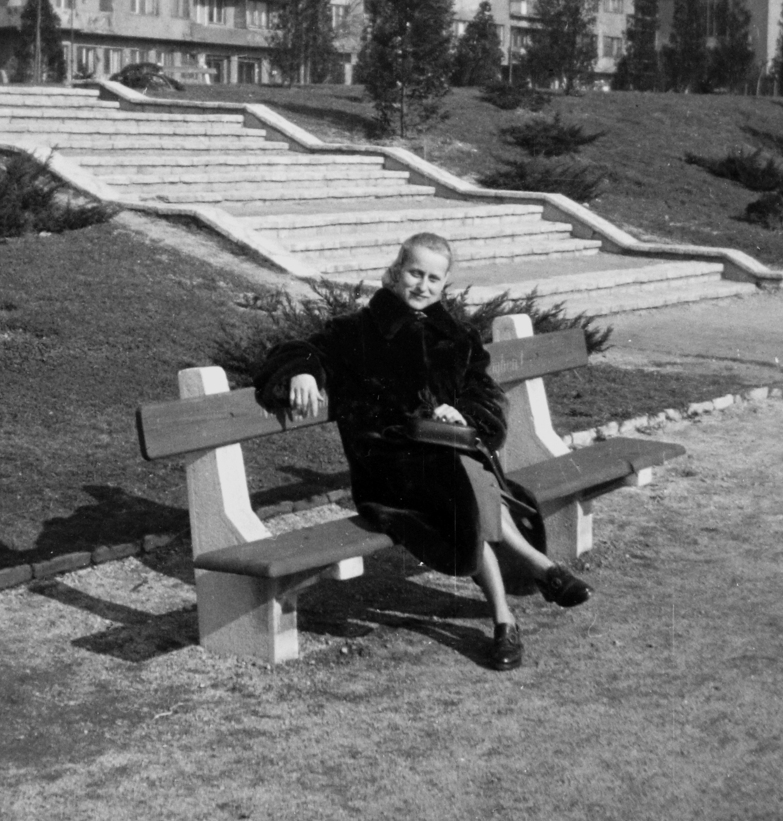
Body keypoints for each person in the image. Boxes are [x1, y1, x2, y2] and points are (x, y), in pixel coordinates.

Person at [253, 232, 591, 672]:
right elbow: (297, 350)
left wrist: (463, 411)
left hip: (450, 455)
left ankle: (505, 619)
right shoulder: (356, 330)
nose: (422, 285)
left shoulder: (458, 337)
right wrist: (301, 371)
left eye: (434, 278)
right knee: (464, 482)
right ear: (395, 273)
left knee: (462, 478)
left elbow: (487, 401)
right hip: (389, 467)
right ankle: (539, 568)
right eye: (415, 273)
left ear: (445, 284)